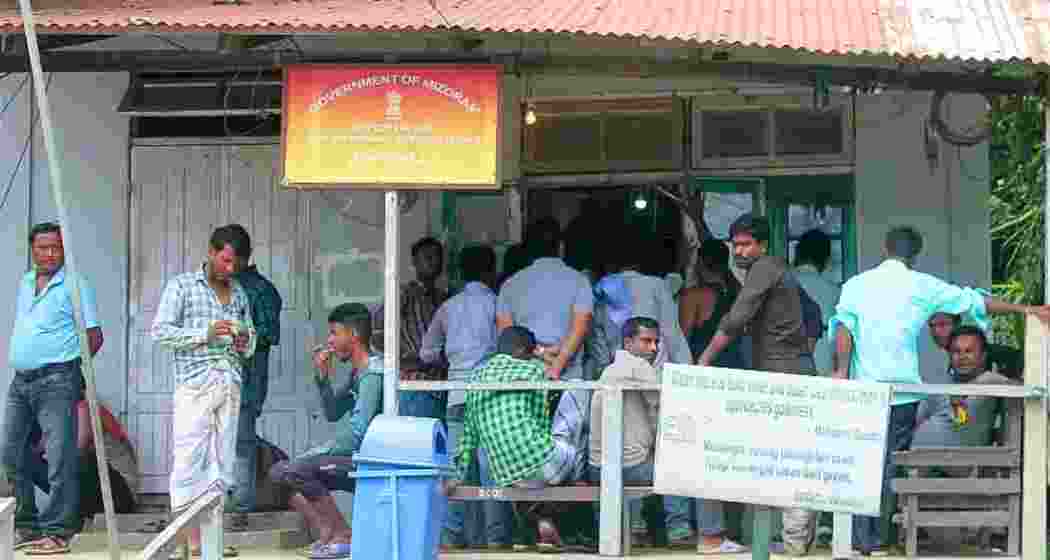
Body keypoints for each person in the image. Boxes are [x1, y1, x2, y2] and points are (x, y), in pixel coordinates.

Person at [829, 225, 1050, 555]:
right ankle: (881, 540)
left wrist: (841, 372)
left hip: (865, 391)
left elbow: (845, 328)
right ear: (914, 255)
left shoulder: (856, 286)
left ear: (885, 248)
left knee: (862, 461)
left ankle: (861, 540)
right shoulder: (923, 285)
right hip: (903, 391)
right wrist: (1024, 310)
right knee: (892, 462)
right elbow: (974, 301)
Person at [696, 213, 818, 557]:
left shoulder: (765, 268)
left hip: (782, 378)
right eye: (735, 244)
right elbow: (816, 314)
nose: (739, 251)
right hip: (790, 372)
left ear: (762, 245)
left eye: (746, 244)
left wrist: (703, 361)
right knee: (784, 458)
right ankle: (792, 541)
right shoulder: (780, 271)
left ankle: (792, 542)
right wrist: (801, 353)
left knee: (782, 458)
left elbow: (736, 318)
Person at [588, 317, 750, 553]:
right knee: (702, 466)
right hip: (622, 466)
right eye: (646, 341)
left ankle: (677, 528)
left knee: (672, 456)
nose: (653, 348)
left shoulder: (611, 369)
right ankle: (710, 538)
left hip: (600, 465)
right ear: (628, 342)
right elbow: (669, 409)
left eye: (656, 342)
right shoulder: (637, 366)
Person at [152, 225, 257, 558]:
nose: (230, 268)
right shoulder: (182, 285)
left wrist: (245, 341)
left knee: (222, 464)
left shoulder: (240, 293)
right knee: (188, 462)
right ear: (211, 252)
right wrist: (206, 333)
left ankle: (210, 541)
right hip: (194, 384)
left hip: (230, 385)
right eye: (226, 260)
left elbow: (250, 340)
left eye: (236, 264)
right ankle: (185, 541)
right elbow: (160, 332)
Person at [4, 222, 105, 554]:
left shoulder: (75, 284)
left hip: (57, 380)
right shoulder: (26, 281)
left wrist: (69, 369)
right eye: (42, 247)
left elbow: (93, 336)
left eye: (55, 248)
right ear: (31, 250)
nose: (49, 254)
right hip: (21, 381)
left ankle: (59, 531)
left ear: (64, 250)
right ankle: (27, 525)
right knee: (9, 451)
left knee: (60, 456)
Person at [443, 327, 580, 549]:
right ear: (524, 351)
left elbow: (469, 433)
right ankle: (564, 523)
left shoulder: (477, 376)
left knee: (527, 474)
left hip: (506, 475)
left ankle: (539, 522)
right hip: (541, 466)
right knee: (578, 396)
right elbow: (541, 421)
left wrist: (458, 475)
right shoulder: (534, 370)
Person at [269, 303, 383, 560]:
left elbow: (358, 434)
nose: (329, 340)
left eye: (334, 333)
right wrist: (322, 377)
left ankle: (344, 535)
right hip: (358, 459)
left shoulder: (373, 373)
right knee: (279, 472)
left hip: (373, 462)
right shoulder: (358, 372)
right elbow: (333, 412)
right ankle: (328, 533)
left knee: (296, 469)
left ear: (353, 335)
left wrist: (318, 452)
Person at [420, 245, 511, 550]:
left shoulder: (448, 307)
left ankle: (451, 537)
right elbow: (507, 346)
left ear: (459, 272)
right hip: (491, 398)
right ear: (490, 273)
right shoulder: (498, 304)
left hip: (457, 395)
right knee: (491, 470)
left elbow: (426, 352)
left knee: (457, 469)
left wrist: (451, 362)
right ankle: (496, 539)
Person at [224, 225, 283, 517]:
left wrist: (241, 335)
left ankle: (239, 508)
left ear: (243, 258)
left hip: (246, 380)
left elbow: (270, 333)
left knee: (241, 442)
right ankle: (219, 505)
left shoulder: (261, 290)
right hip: (215, 380)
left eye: (228, 259)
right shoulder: (218, 285)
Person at [27, 400, 139, 525]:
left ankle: (67, 515)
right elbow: (41, 447)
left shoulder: (84, 406)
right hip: (100, 492)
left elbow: (80, 446)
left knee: (80, 461)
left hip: (122, 494)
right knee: (28, 461)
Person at [374, 237, 447, 419]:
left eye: (436, 256)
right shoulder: (405, 293)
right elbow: (377, 333)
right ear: (415, 262)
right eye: (426, 256)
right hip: (414, 384)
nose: (432, 261)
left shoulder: (444, 298)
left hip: (441, 383)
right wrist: (402, 360)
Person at [913, 326, 1017, 449]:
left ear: (983, 356)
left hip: (964, 461)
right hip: (919, 455)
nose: (962, 357)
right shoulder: (940, 384)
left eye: (969, 351)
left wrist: (968, 390)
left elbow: (1020, 388)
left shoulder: (991, 381)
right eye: (956, 351)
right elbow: (916, 422)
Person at [679, 238, 745, 369]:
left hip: (704, 370)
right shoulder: (739, 293)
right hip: (737, 366)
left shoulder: (693, 296)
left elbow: (681, 343)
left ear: (699, 262)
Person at [792, 229, 841, 375]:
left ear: (798, 253)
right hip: (823, 360)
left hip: (785, 362)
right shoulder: (835, 292)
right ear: (825, 259)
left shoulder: (779, 285)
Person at [927, 313, 1023, 380]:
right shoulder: (936, 361)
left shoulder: (998, 356)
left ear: (958, 323)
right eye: (932, 326)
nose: (936, 331)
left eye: (943, 324)